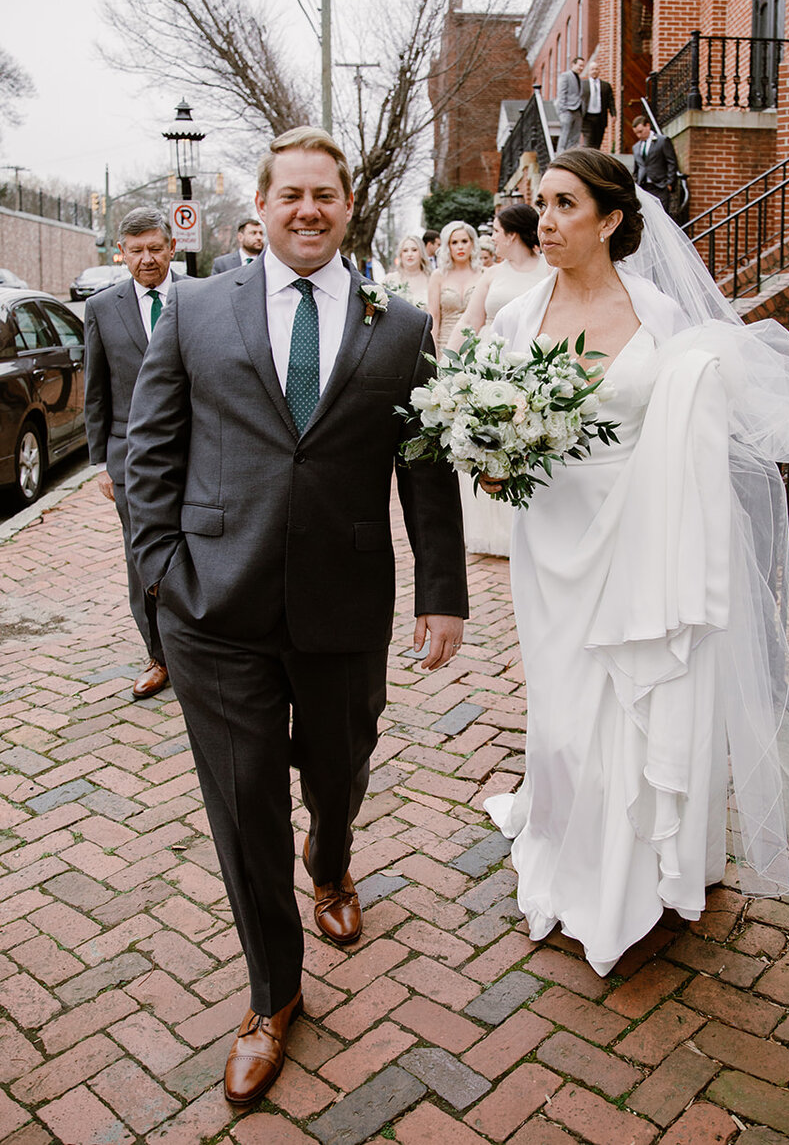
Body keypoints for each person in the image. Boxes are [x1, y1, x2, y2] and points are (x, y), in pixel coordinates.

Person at [125, 126, 467, 1106]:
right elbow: (150, 451)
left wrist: (442, 589)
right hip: (212, 610)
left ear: (347, 206)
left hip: (344, 608)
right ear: (261, 208)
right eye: (291, 195)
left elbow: (425, 462)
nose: (308, 209)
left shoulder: (397, 325)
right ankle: (273, 995)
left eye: (327, 194)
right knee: (242, 811)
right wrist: (159, 575)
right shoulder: (192, 310)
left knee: (339, 769)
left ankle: (334, 857)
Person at [482, 147, 789, 975]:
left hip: (639, 527)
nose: (544, 221)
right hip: (551, 537)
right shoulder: (513, 320)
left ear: (611, 221)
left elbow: (705, 426)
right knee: (564, 702)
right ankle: (563, 830)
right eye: (540, 204)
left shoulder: (661, 316)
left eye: (564, 205)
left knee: (630, 695)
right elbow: (487, 430)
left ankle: (629, 876)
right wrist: (491, 452)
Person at [84, 208, 181, 700]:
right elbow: (96, 390)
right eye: (136, 250)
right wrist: (101, 462)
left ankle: (200, 649)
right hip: (129, 459)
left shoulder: (199, 297)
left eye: (155, 248)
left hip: (196, 450)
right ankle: (159, 655)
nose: (147, 259)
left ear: (172, 247)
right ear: (122, 253)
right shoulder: (102, 308)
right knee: (142, 558)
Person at [447, 204, 550, 557]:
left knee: (523, 440)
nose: (491, 237)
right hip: (489, 365)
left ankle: (524, 529)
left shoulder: (549, 270)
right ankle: (492, 532)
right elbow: (470, 320)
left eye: (495, 230)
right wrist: (447, 363)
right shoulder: (491, 274)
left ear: (512, 234)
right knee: (488, 442)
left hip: (532, 365)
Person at [427, 220, 482, 352]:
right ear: (448, 246)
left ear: (472, 243)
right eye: (454, 242)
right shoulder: (438, 276)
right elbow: (433, 317)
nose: (460, 247)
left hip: (477, 347)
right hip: (445, 347)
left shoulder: (483, 274)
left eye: (464, 241)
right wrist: (431, 351)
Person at [632, 115, 682, 216]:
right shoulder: (636, 147)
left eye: (640, 131)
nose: (639, 135)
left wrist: (669, 183)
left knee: (661, 215)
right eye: (636, 133)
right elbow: (637, 168)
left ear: (648, 126)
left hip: (660, 186)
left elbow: (671, 162)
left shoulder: (662, 141)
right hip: (644, 187)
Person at [580, 60, 616, 149]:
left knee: (598, 142)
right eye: (592, 69)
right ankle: (587, 159)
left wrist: (613, 114)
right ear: (589, 71)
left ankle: (595, 160)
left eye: (596, 69)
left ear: (599, 71)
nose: (594, 71)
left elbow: (610, 101)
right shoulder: (583, 85)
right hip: (587, 117)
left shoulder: (606, 86)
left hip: (600, 117)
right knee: (588, 141)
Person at [388, 234, 431, 308]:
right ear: (400, 254)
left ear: (421, 253)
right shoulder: (390, 279)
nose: (409, 254)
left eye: (414, 250)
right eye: (405, 251)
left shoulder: (431, 278)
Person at [555, 55, 585, 150]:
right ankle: (560, 155)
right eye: (580, 65)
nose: (581, 68)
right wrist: (563, 110)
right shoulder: (565, 76)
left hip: (578, 111)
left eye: (583, 66)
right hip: (567, 110)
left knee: (575, 137)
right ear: (573, 64)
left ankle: (571, 157)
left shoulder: (579, 79)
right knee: (565, 135)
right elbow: (561, 93)